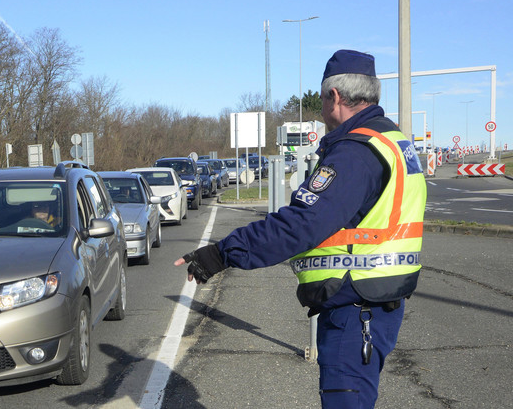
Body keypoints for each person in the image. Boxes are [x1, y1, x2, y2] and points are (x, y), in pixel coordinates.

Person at [175, 49, 426, 408]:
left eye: (322, 99)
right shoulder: (392, 141)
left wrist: (220, 254)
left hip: (354, 309)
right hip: (376, 303)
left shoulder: (355, 152)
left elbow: (301, 224)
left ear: (334, 97)